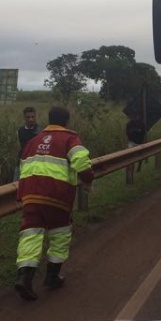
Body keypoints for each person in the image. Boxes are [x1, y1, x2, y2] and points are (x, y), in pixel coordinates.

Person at [14, 105, 95, 300]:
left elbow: (22, 166)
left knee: (30, 235)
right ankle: (52, 276)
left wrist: (23, 194)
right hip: (57, 196)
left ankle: (24, 278)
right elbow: (81, 162)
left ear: (49, 120)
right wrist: (88, 181)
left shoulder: (33, 141)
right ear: (66, 121)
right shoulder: (70, 138)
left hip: (31, 195)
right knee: (60, 233)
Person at [14, 106, 40, 180]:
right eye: (28, 117)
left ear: (35, 117)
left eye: (33, 117)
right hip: (21, 161)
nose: (31, 119)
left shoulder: (40, 131)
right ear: (25, 118)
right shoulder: (20, 130)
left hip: (34, 163)